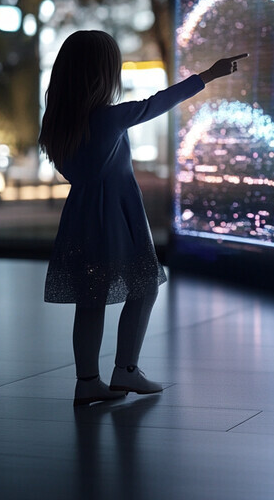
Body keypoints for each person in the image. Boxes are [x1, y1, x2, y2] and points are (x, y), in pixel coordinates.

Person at [39, 30, 247, 407]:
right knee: (144, 286)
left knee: (90, 300)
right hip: (117, 218)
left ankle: (87, 380)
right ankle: (126, 369)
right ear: (103, 74)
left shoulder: (58, 125)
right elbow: (159, 102)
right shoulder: (110, 119)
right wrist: (208, 75)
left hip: (81, 219)